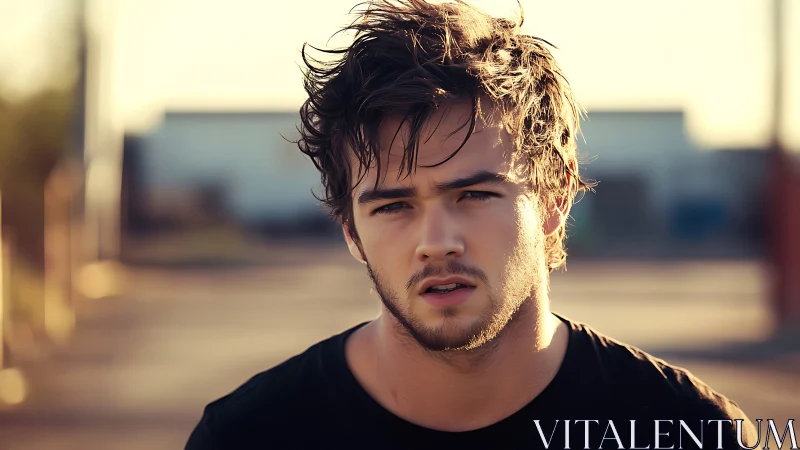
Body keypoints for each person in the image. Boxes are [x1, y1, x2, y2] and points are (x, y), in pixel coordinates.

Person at [186, 1, 758, 448]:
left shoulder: (691, 433)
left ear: (554, 196)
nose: (437, 243)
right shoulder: (250, 436)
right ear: (350, 230)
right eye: (392, 207)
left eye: (475, 194)